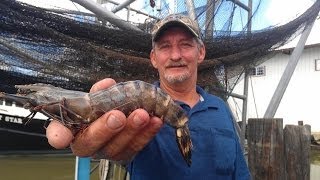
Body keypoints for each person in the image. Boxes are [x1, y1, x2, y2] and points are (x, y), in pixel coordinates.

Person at [46, 14, 250, 179]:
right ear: (153, 58)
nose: (176, 55)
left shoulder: (221, 108)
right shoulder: (134, 107)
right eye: (164, 46)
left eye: (186, 44)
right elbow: (114, 148)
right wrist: (94, 144)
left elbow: (240, 173)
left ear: (201, 52)